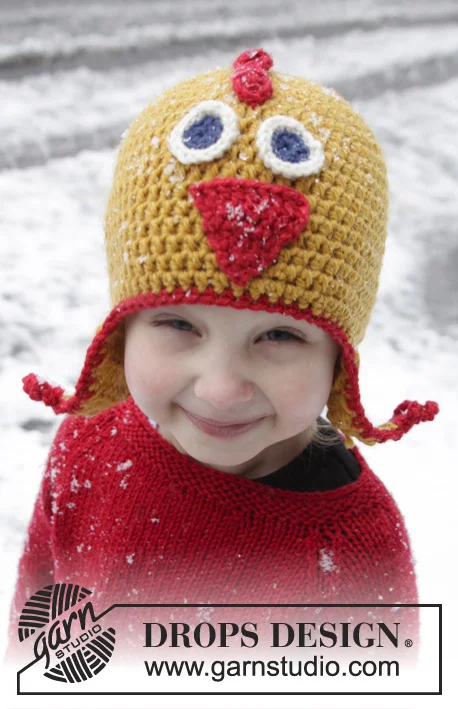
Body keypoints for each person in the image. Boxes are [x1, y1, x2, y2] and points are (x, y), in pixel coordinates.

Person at [7, 49, 438, 663]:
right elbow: (40, 621)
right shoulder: (89, 440)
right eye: (179, 323)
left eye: (279, 337)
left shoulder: (352, 560)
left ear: (339, 358)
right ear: (124, 327)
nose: (220, 388)